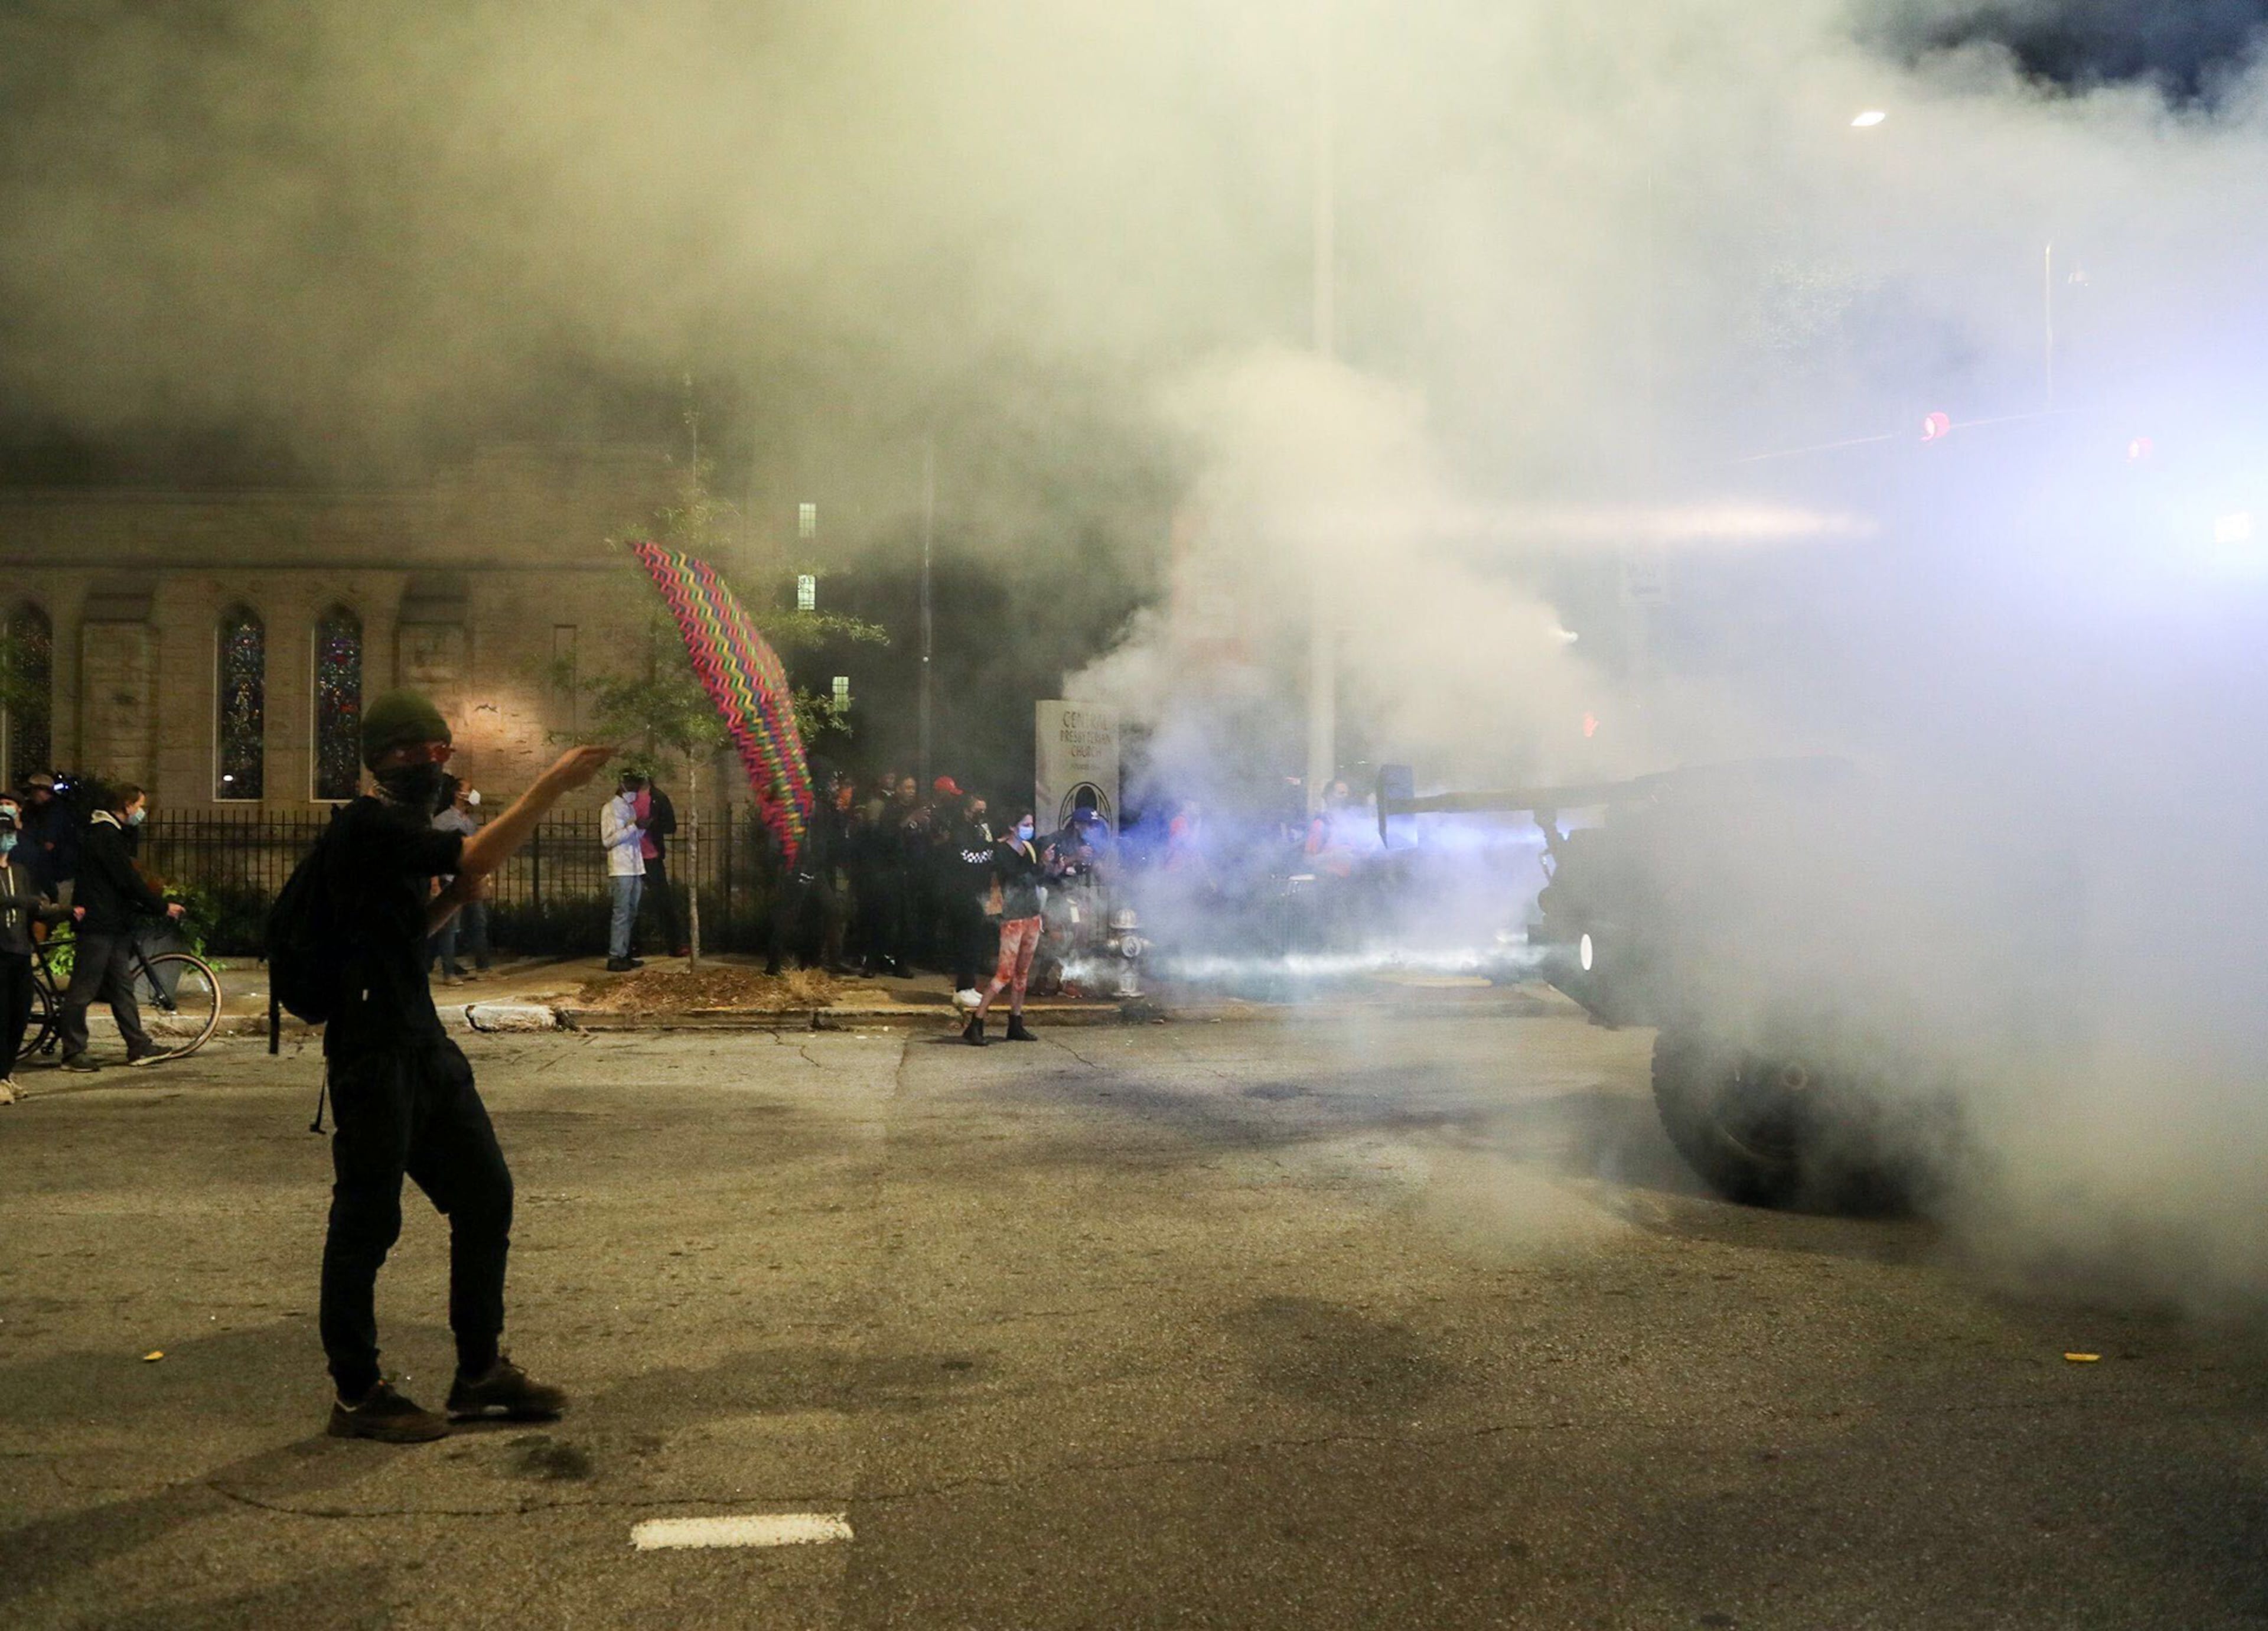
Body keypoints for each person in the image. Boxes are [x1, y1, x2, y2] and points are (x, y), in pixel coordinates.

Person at [317, 687, 611, 1443]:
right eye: (411, 752)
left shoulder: (399, 830)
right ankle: (357, 1393)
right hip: (371, 1053)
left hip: (421, 1045)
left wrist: (450, 906)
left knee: (485, 1196)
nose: (427, 763)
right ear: (379, 761)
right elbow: (474, 848)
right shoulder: (368, 826)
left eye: (438, 750)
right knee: (367, 1223)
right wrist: (550, 785)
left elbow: (395, 938)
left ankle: (479, 1372)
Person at [57, 783, 185, 1072]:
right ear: (127, 806)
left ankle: (138, 1046)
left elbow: (123, 881)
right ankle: (73, 1052)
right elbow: (126, 880)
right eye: (139, 806)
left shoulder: (107, 834)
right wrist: (161, 906)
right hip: (100, 925)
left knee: (122, 987)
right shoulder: (105, 835)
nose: (141, 812)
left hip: (112, 924)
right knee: (84, 989)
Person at [964, 812, 1056, 1046]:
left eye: (1031, 824)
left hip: (1032, 917)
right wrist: (1041, 866)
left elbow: (1037, 882)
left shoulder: (1030, 849)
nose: (1030, 828)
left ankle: (1015, 1022)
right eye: (1025, 824)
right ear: (1012, 827)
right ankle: (977, 1022)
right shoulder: (1002, 852)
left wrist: (1049, 865)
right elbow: (1018, 879)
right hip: (1013, 919)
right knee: (1004, 975)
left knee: (1022, 975)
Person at [1, 799, 67, 1102]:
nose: (8, 838)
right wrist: (25, 903)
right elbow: (18, 903)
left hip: (19, 950)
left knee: (19, 1015)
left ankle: (5, 1072)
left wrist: (63, 911)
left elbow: (35, 908)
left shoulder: (20, 870)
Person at [428, 777, 478, 986]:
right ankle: (448, 972)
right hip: (449, 879)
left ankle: (453, 965)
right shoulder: (443, 820)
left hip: (466, 878)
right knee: (449, 927)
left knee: (470, 924)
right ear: (458, 794)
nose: (475, 793)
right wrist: (435, 882)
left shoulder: (468, 821)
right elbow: (431, 850)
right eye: (470, 789)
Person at [635, 777, 686, 958]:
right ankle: (632, 948)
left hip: (651, 857)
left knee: (664, 902)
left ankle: (675, 944)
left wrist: (651, 825)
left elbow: (671, 826)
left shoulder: (658, 797)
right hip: (630, 858)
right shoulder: (625, 796)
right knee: (631, 904)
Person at [600, 770, 646, 972]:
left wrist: (642, 827)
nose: (636, 791)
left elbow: (633, 837)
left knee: (631, 913)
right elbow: (608, 840)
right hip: (620, 867)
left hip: (635, 865)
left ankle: (625, 952)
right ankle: (615, 955)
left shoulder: (629, 809)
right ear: (623, 784)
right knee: (621, 913)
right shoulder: (610, 809)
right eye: (634, 786)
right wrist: (634, 827)